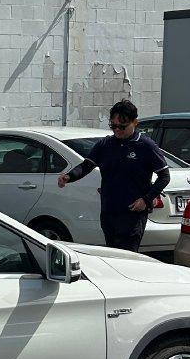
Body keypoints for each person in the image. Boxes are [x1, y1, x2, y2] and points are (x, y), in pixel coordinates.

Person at [57, 99, 170, 252]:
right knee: (112, 253)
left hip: (132, 212)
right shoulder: (105, 145)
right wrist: (69, 177)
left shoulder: (145, 146)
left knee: (127, 255)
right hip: (109, 211)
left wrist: (146, 199)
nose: (117, 130)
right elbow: (86, 166)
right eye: (113, 126)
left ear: (135, 122)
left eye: (122, 126)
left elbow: (164, 176)